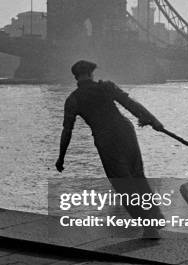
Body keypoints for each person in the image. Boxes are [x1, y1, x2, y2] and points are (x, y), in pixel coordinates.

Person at [55, 60, 165, 238]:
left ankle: (149, 227)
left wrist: (61, 158)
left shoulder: (73, 100)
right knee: (137, 175)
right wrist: (153, 121)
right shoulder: (106, 87)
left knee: (123, 184)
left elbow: (67, 131)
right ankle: (156, 216)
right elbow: (131, 104)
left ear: (75, 77)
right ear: (91, 73)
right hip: (125, 131)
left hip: (105, 139)